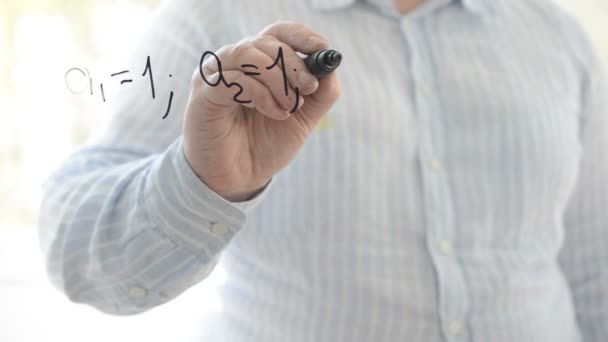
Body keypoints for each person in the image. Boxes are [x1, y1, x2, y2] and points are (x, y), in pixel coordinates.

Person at [38, 0, 608, 340]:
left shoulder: (557, 34)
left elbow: (595, 271)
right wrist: (203, 182)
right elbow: (78, 253)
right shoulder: (213, 14)